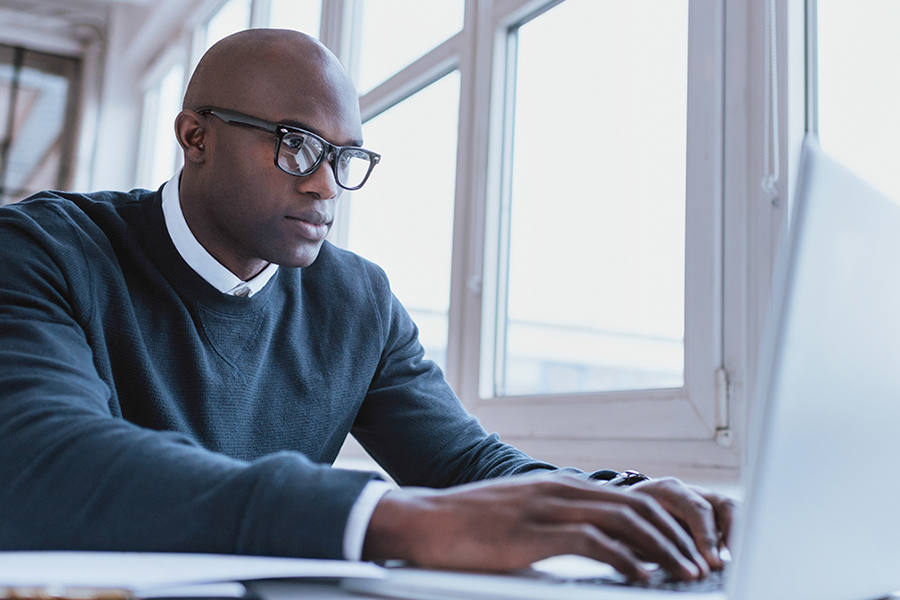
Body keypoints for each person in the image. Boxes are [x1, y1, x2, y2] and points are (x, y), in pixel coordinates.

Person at [0, 29, 733, 583]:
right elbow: (37, 457)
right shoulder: (42, 250)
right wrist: (382, 518)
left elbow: (465, 463)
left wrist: (616, 500)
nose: (325, 186)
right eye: (296, 145)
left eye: (344, 158)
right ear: (195, 136)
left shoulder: (358, 301)